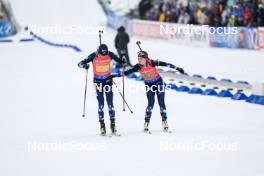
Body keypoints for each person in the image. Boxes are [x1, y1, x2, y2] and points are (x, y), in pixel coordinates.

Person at [113, 51, 185, 133]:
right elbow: (128, 72)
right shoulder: (138, 67)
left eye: (141, 59)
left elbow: (166, 64)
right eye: (138, 59)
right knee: (150, 104)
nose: (139, 60)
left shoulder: (152, 62)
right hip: (149, 86)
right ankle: (146, 123)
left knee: (161, 103)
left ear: (145, 58)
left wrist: (177, 68)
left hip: (159, 84)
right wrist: (116, 75)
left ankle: (165, 122)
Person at [78, 44, 124, 136]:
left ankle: (113, 125)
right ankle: (102, 126)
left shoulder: (110, 54)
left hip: (108, 81)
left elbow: (120, 61)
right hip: (98, 82)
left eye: (105, 54)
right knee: (101, 104)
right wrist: (85, 66)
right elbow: (79, 64)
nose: (104, 56)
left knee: (110, 104)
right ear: (99, 52)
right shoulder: (93, 55)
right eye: (102, 54)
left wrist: (123, 61)